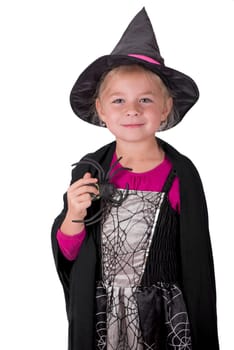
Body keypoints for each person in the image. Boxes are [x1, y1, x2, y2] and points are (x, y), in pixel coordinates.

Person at [51, 7, 219, 350]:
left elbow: (198, 269)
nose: (132, 110)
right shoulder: (88, 173)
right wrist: (73, 215)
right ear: (100, 110)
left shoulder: (180, 176)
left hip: (164, 321)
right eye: (119, 100)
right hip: (101, 320)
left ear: (166, 107)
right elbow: (68, 253)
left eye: (145, 99)